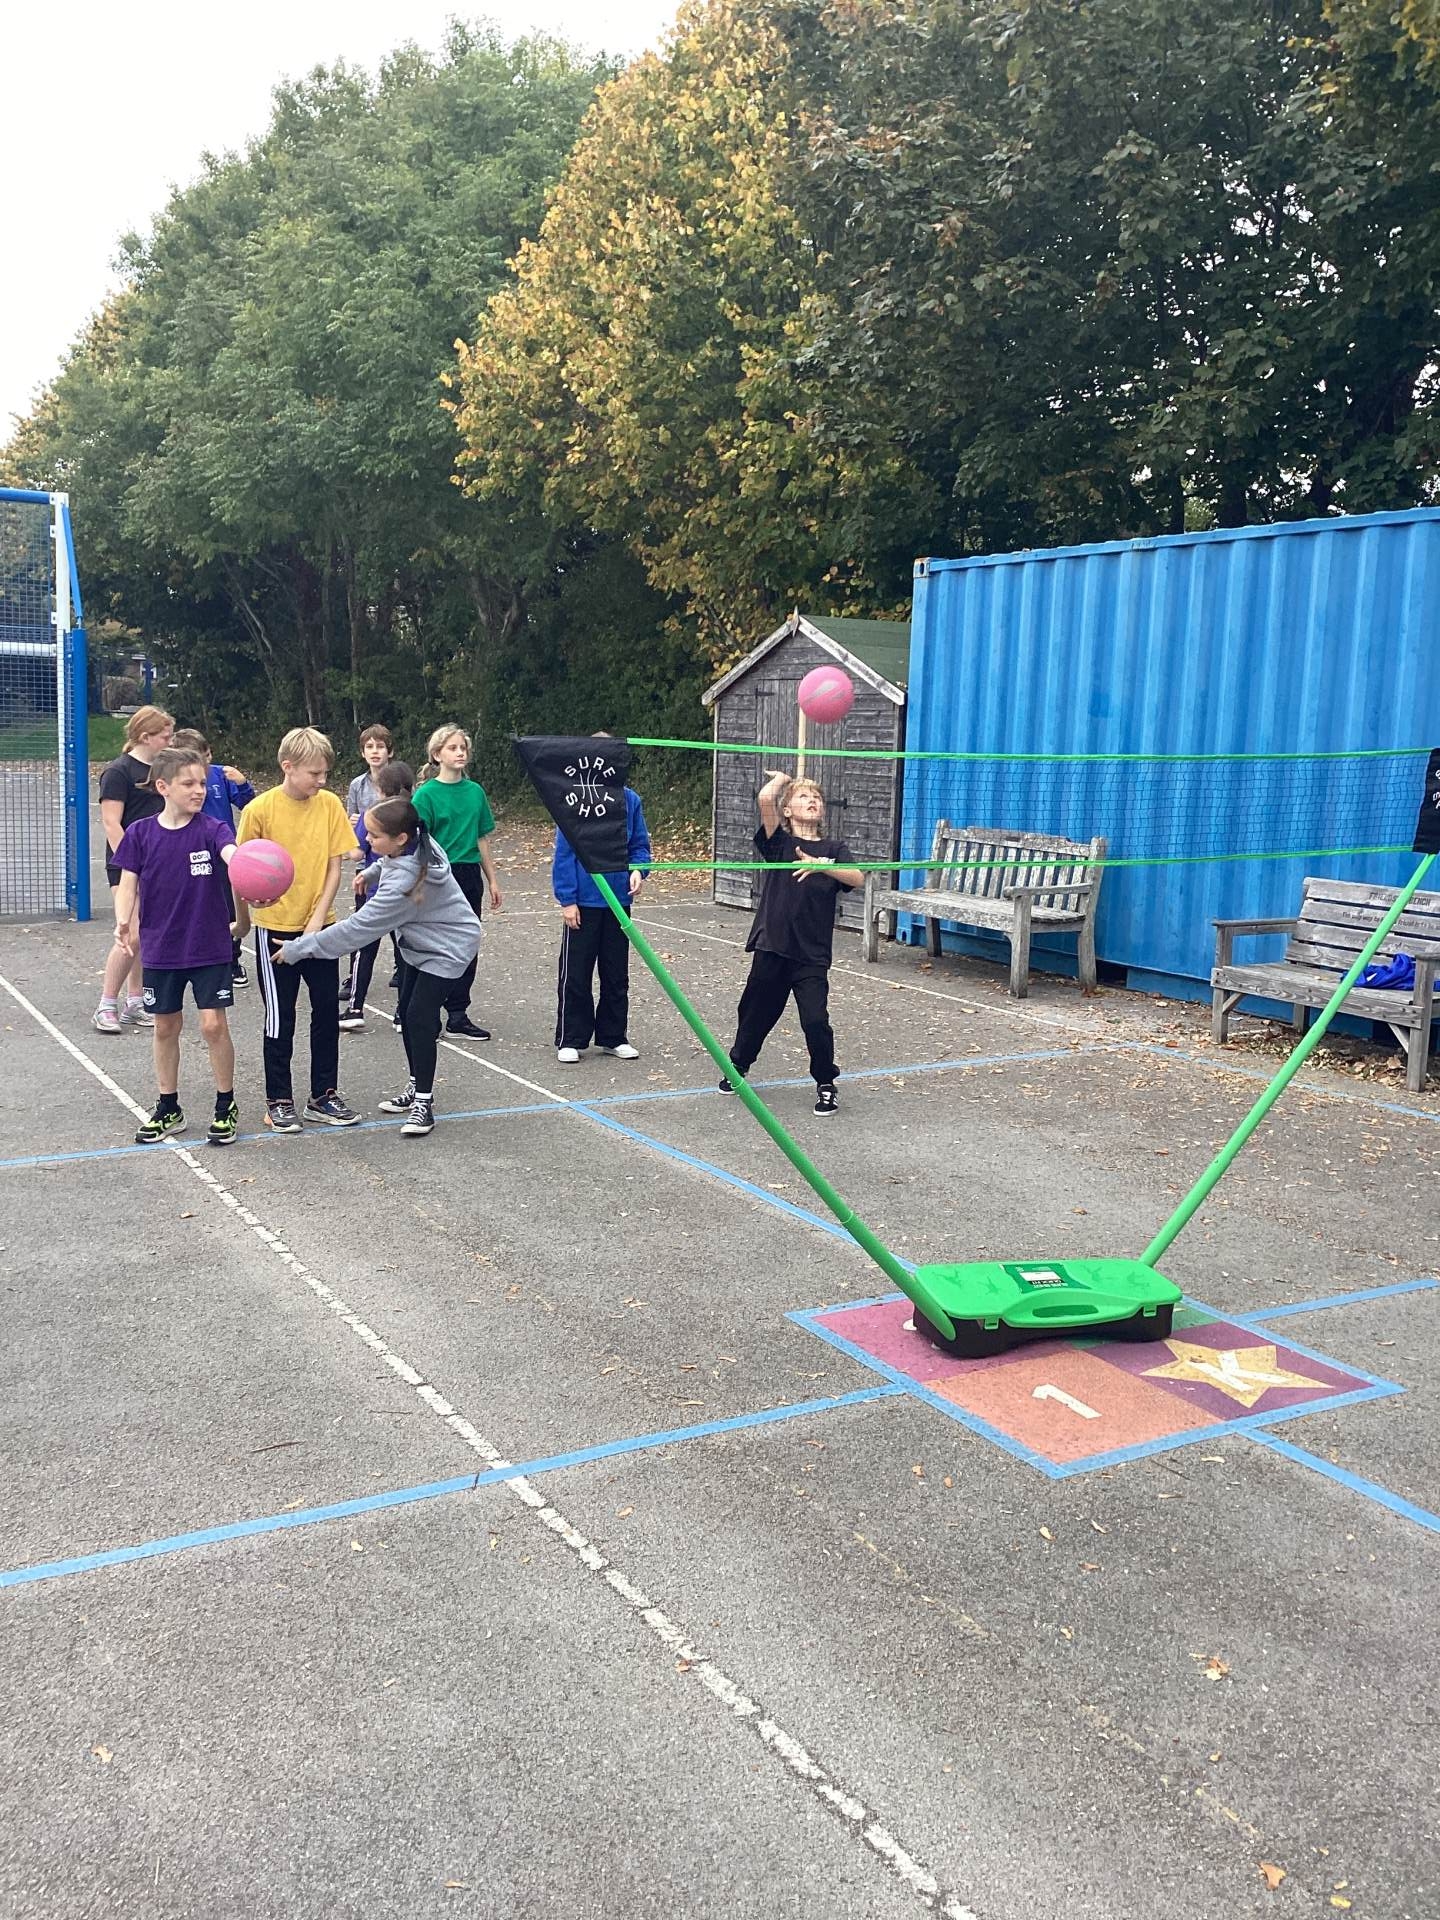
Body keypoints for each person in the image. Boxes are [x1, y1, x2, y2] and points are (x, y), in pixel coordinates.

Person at [271, 797, 482, 1138]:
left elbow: (356, 930)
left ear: (400, 838)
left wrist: (300, 948)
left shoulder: (404, 886)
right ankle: (417, 1084)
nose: (366, 840)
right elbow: (391, 861)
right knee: (406, 1014)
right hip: (421, 942)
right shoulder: (420, 840)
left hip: (449, 948)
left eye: (374, 836)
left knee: (419, 1017)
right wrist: (372, 871)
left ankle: (423, 1104)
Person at [111, 745, 241, 1145]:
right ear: (163, 787)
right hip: (162, 947)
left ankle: (225, 1105)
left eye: (202, 782)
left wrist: (249, 867)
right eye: (189, 783)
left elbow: (232, 855)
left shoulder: (213, 829)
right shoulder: (140, 833)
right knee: (166, 1026)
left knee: (213, 1025)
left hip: (209, 945)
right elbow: (128, 883)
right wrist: (122, 920)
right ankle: (169, 1107)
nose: (199, 790)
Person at [233, 727, 361, 1133]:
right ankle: (278, 1100)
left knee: (325, 1013)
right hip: (274, 930)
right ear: (288, 767)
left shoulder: (329, 805)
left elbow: (334, 867)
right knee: (280, 1016)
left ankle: (323, 1095)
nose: (322, 780)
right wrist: (247, 912)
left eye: (325, 773)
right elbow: (241, 869)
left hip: (320, 931)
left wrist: (315, 924)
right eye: (314, 773)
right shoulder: (260, 810)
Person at [722, 772, 862, 1115]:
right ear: (787, 811)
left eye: (816, 797)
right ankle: (739, 1064)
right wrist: (782, 781)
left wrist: (821, 867)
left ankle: (826, 1083)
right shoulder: (780, 844)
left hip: (811, 955)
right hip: (773, 946)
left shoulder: (834, 850)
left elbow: (857, 877)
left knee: (815, 1020)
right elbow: (765, 799)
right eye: (803, 796)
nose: (812, 801)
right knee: (755, 1014)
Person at [553, 743, 652, 1063]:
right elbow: (564, 854)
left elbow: (640, 845)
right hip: (583, 901)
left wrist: (638, 870)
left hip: (618, 902)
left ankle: (613, 1036)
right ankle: (571, 1038)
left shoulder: (630, 800)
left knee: (615, 973)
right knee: (576, 973)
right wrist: (568, 899)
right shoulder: (572, 800)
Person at [412, 725, 502, 1039]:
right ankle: (425, 1009)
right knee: (435, 942)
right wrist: (421, 881)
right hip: (439, 875)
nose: (460, 752)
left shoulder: (475, 792)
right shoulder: (426, 795)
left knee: (467, 942)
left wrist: (492, 879)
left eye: (463, 747)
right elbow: (419, 843)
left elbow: (481, 838)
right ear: (437, 755)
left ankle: (458, 1013)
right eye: (452, 748)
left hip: (468, 873)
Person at [92, 705, 174, 1033]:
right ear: (145, 736)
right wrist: (133, 863)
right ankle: (106, 1004)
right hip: (126, 865)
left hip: (159, 864)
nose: (169, 741)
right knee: (132, 931)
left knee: (147, 935)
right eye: (164, 736)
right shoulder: (119, 771)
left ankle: (135, 1001)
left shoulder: (163, 770)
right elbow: (111, 823)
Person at [172, 727, 255, 987]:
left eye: (208, 755)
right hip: (190, 852)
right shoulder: (175, 783)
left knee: (229, 907)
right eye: (200, 758)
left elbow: (248, 805)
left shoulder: (221, 775)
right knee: (193, 906)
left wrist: (242, 784)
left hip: (224, 852)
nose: (206, 762)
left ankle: (231, 960)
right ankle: (191, 956)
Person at [339, 724, 395, 1032]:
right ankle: (355, 987)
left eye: (380, 746)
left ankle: (358, 1006)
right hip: (370, 870)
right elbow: (353, 830)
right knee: (366, 934)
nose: (375, 751)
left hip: (388, 873)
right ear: (363, 752)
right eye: (369, 747)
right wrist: (355, 828)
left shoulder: (399, 797)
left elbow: (356, 845)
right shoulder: (357, 785)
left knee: (383, 935)